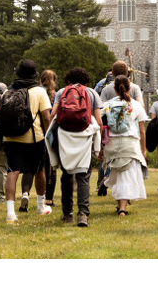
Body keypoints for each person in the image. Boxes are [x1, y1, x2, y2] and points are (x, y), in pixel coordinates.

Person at [47, 67, 102, 227]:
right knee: (83, 176)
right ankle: (83, 214)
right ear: (86, 80)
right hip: (84, 137)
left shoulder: (62, 92)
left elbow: (53, 116)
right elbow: (98, 121)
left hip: (65, 136)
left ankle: (67, 213)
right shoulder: (92, 93)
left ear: (68, 79)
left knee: (66, 175)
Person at [3, 59, 53, 225]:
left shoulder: (7, 91)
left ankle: (10, 212)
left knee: (12, 171)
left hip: (10, 138)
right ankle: (40, 206)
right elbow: (46, 116)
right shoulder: (39, 92)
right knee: (39, 171)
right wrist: (47, 136)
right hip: (34, 137)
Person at [101, 74, 148, 216]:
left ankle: (120, 205)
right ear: (130, 87)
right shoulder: (136, 105)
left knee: (117, 174)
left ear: (115, 88)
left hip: (112, 144)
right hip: (130, 143)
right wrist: (143, 150)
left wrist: (101, 148)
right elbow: (141, 131)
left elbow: (103, 127)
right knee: (127, 175)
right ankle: (122, 208)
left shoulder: (108, 105)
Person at [40, 70, 58, 207]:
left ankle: (34, 195)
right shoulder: (56, 96)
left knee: (39, 167)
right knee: (51, 167)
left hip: (37, 132)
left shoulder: (37, 94)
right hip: (52, 133)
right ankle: (49, 199)